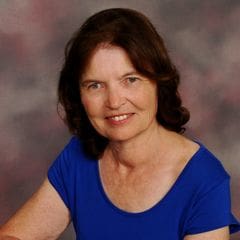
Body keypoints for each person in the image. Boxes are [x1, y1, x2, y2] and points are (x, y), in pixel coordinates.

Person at [0, 8, 239, 240]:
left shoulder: (204, 179)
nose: (114, 102)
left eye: (130, 80)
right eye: (95, 85)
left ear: (158, 83)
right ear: (79, 95)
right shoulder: (77, 159)